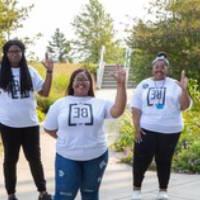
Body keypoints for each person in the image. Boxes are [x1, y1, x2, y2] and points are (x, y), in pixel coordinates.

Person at [43, 67, 127, 200]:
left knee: (90, 195)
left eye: (85, 79)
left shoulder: (100, 103)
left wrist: (121, 84)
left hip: (96, 156)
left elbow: (118, 111)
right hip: (67, 156)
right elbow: (49, 128)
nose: (81, 82)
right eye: (78, 79)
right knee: (64, 196)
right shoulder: (60, 104)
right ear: (72, 83)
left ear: (90, 84)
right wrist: (66, 139)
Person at [131, 52, 192, 200]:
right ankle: (136, 191)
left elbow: (184, 106)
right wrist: (137, 127)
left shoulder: (175, 85)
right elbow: (136, 108)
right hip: (146, 130)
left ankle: (162, 191)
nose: (159, 69)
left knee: (164, 160)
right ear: (152, 68)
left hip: (170, 131)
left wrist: (184, 89)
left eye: (163, 67)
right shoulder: (143, 84)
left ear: (167, 69)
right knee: (140, 160)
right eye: (157, 66)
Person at [0, 39, 53, 200]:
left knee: (35, 159)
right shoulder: (1, 71)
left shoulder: (30, 71)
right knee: (10, 160)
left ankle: (42, 192)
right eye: (11, 51)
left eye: (18, 51)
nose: (14, 54)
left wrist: (49, 72)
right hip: (8, 124)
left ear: (22, 53)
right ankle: (11, 194)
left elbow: (44, 92)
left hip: (30, 124)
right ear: (6, 54)